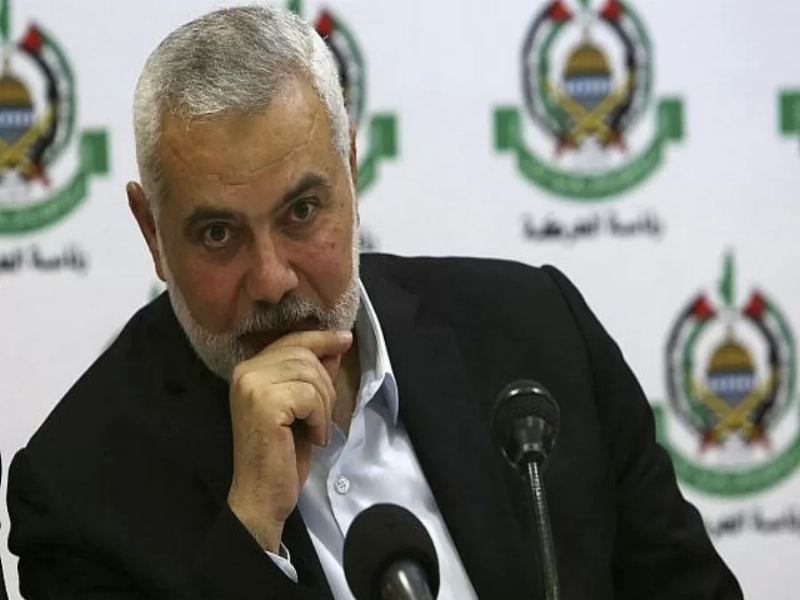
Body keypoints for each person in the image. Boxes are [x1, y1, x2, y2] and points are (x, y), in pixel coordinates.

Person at [6, 5, 743, 599]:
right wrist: (251, 530)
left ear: (352, 172)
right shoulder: (78, 495)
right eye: (218, 234)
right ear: (152, 234)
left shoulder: (538, 333)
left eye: (301, 213)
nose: (272, 279)